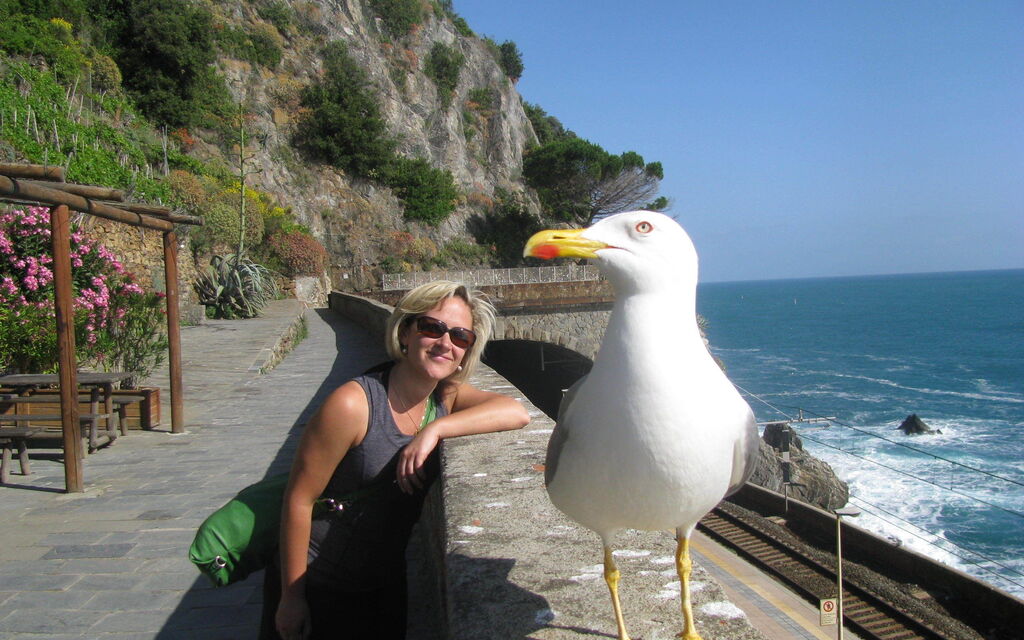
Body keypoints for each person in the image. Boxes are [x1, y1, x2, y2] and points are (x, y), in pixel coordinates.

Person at [261, 281, 531, 640]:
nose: (445, 343)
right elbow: (298, 500)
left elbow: (515, 412)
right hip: (320, 584)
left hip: (384, 585)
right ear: (405, 331)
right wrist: (291, 598)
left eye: (460, 336)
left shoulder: (444, 398)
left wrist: (434, 431)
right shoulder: (354, 404)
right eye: (432, 328)